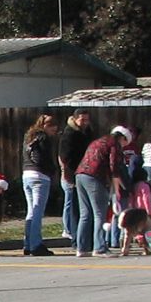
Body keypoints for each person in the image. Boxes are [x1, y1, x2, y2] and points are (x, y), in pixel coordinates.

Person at [74, 125, 130, 257]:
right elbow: (114, 166)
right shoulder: (114, 144)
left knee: (85, 214)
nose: (124, 146)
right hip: (95, 177)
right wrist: (117, 190)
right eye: (125, 143)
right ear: (122, 138)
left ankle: (81, 247)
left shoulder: (98, 141)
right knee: (99, 213)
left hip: (80, 175)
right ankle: (99, 247)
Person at [21, 115, 59, 255]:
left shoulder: (28, 136)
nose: (54, 130)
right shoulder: (43, 138)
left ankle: (27, 243)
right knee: (38, 212)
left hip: (27, 174)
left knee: (31, 211)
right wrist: (51, 170)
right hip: (40, 176)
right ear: (45, 126)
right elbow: (39, 158)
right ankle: (36, 244)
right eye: (52, 127)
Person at [58, 108, 94, 252]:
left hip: (87, 173)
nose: (85, 122)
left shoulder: (88, 132)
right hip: (74, 175)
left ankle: (86, 240)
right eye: (82, 119)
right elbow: (65, 158)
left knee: (86, 209)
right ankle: (76, 240)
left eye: (86, 119)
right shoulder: (69, 134)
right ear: (75, 119)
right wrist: (70, 176)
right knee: (75, 210)